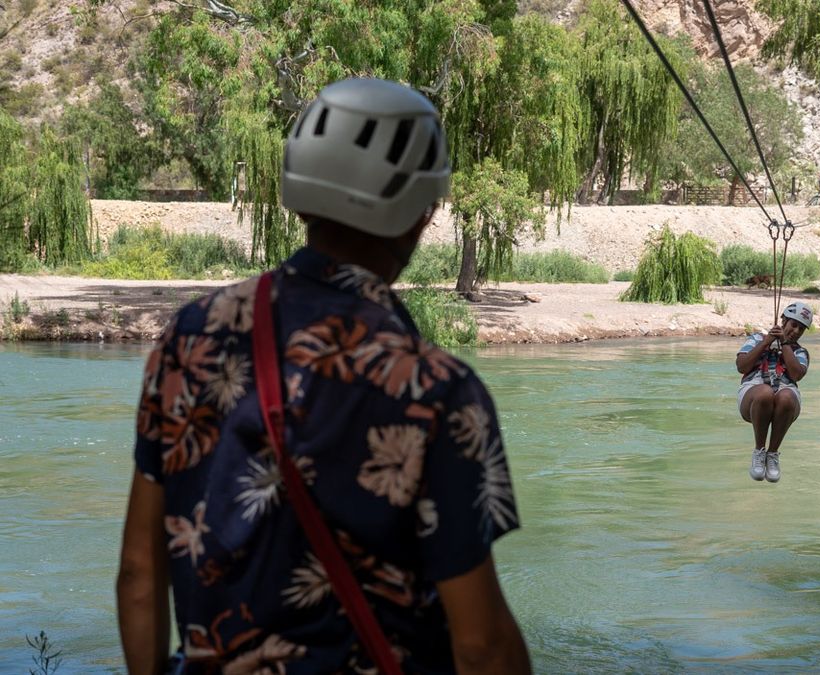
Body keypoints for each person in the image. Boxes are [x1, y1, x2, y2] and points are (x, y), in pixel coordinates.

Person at [116, 78, 530, 674]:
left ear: (300, 195)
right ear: (421, 214)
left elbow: (138, 574)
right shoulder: (437, 391)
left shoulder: (189, 337)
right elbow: (482, 646)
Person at [736, 302, 813, 483]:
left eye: (801, 329)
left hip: (785, 390)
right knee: (765, 392)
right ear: (783, 320)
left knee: (785, 397)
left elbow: (796, 374)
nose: (795, 331)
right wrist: (766, 342)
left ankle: (773, 454)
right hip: (754, 390)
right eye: (793, 325)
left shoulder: (800, 352)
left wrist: (785, 344)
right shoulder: (757, 339)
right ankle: (759, 450)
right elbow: (741, 366)